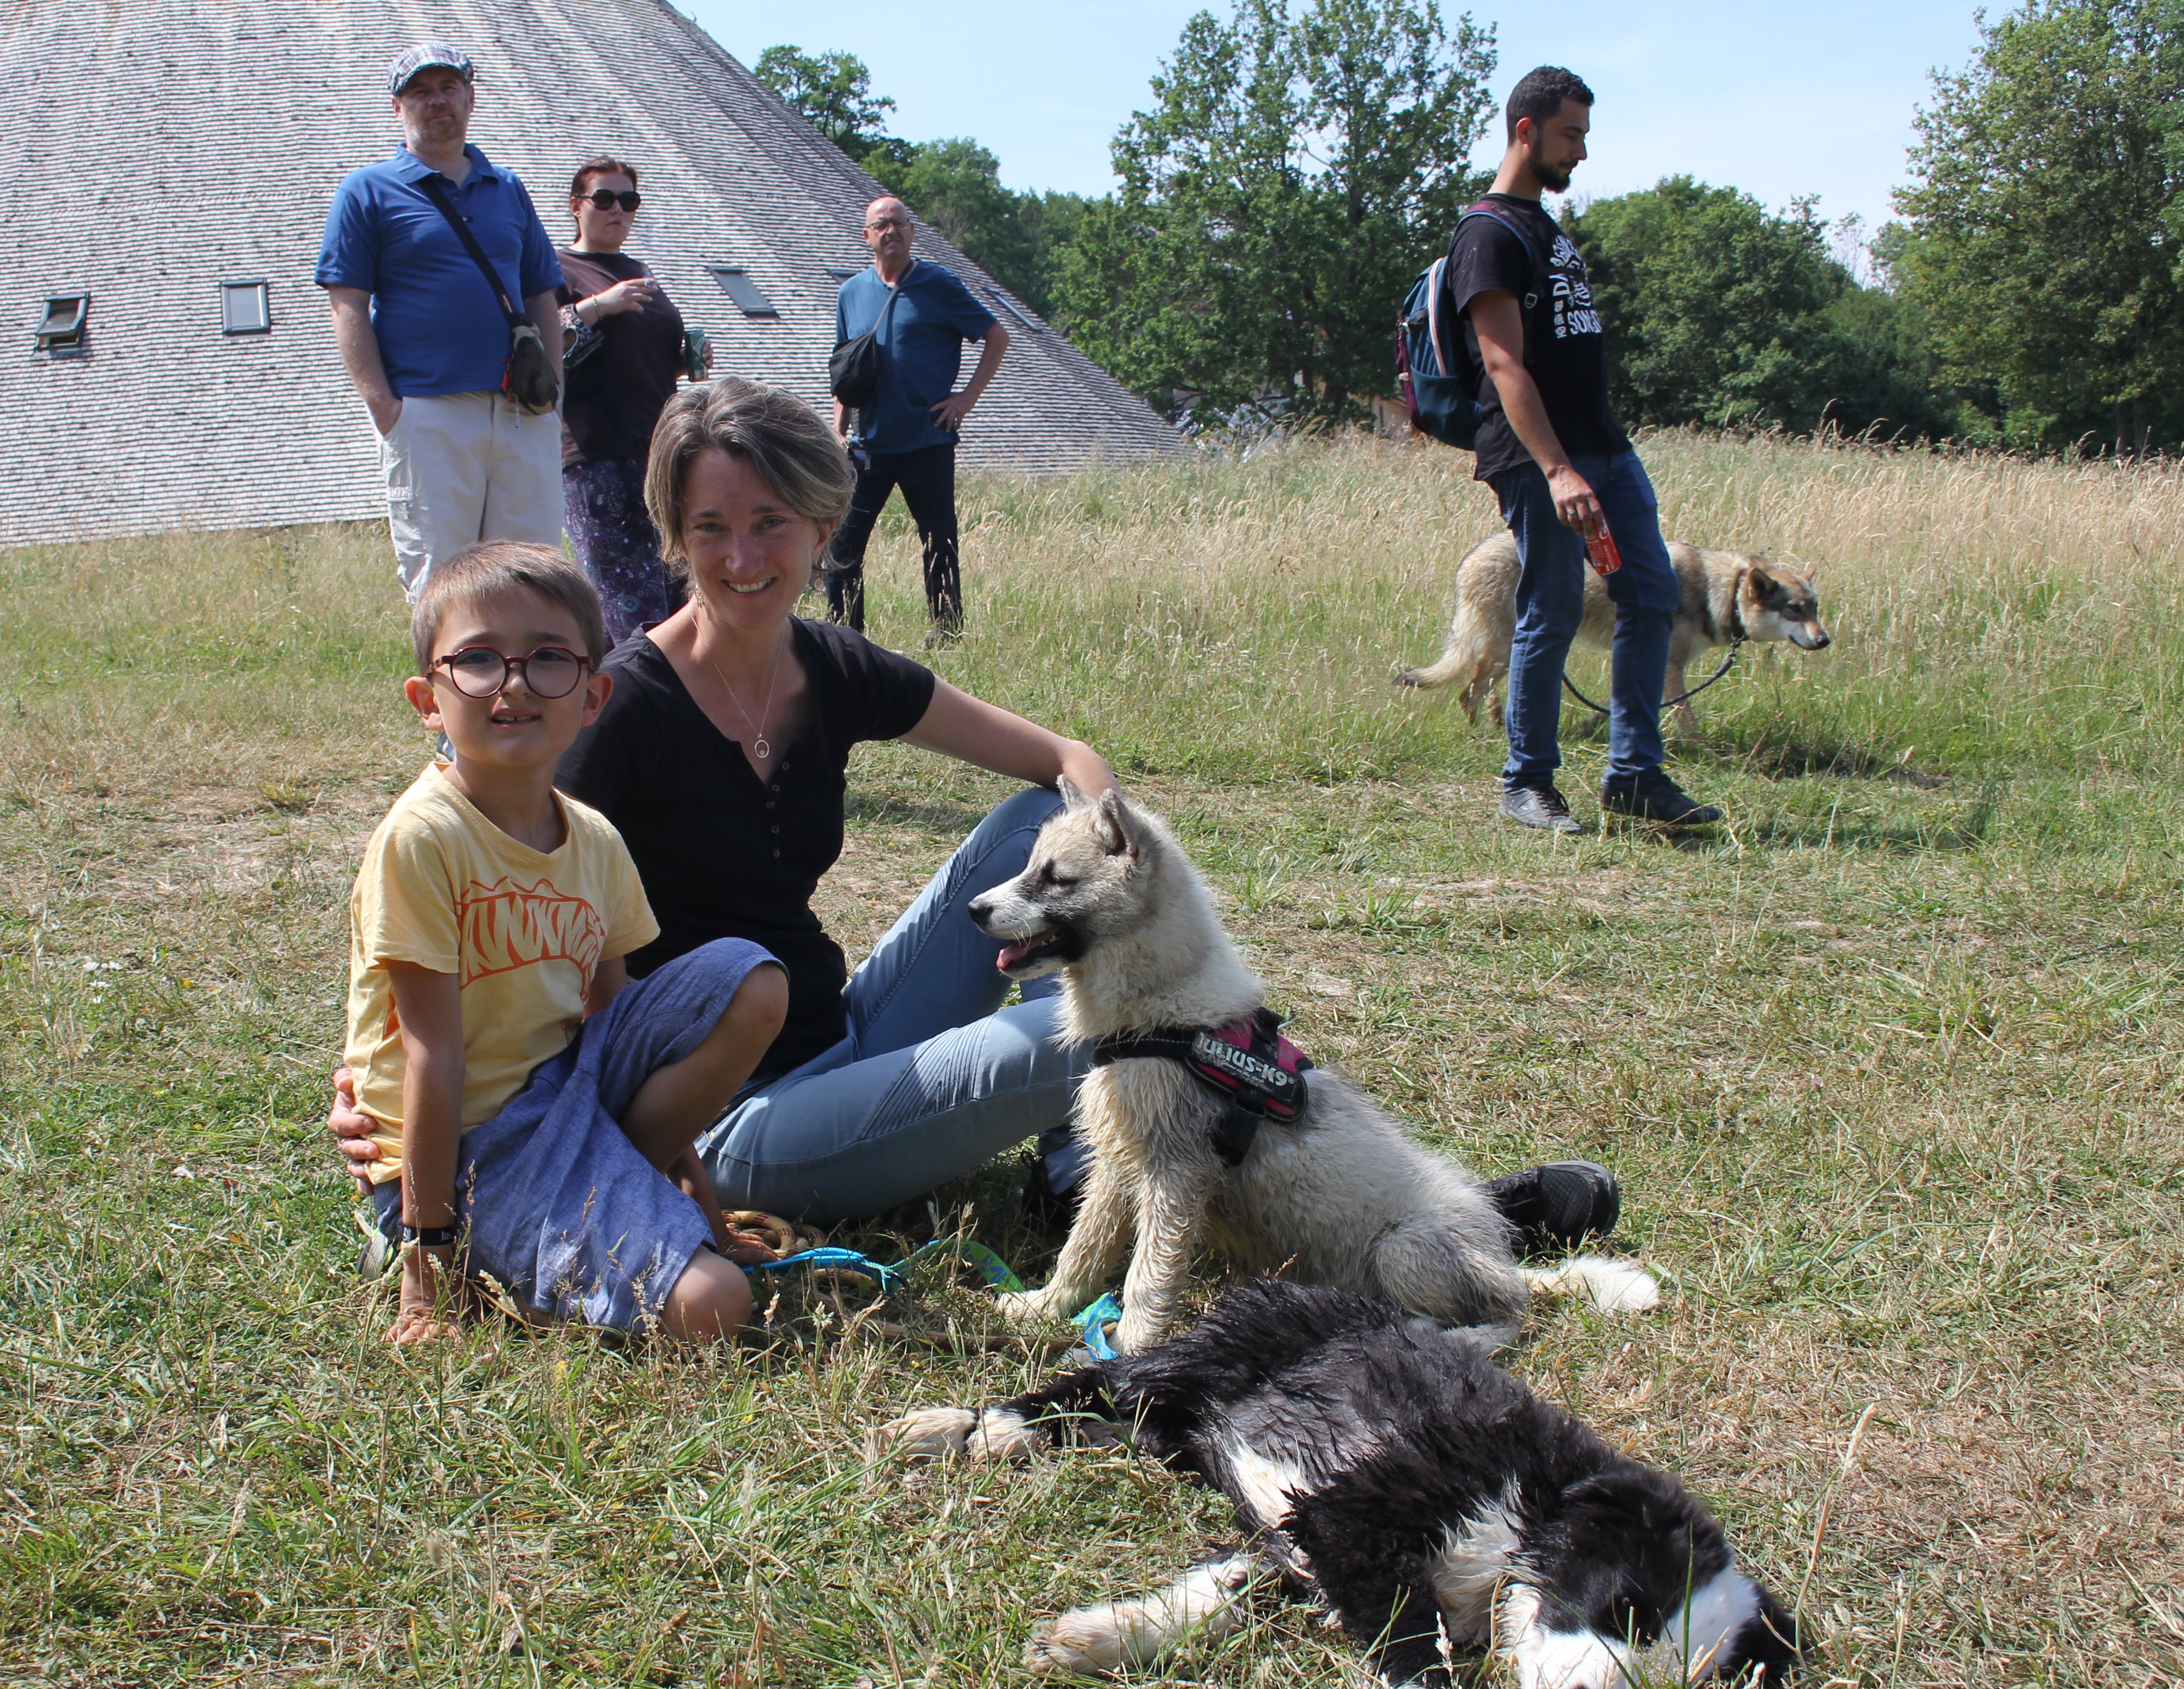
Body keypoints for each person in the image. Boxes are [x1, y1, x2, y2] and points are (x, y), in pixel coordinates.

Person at [331, 378, 1625, 1255]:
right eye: (710, 525)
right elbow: (499, 923)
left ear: (821, 521)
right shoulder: (621, 708)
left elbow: (1065, 762)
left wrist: (1113, 860)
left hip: (843, 1030)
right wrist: (388, 1105)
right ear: (670, 533)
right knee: (1091, 1041)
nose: (741, 556)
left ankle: (1214, 1170)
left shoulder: (829, 663)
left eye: (769, 522)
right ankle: (1427, 1218)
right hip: (728, 1122)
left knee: (1037, 828)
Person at [344, 539, 786, 1345]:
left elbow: (619, 1028)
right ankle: (456, 1247)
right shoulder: (424, 839)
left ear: (593, 694)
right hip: (475, 1148)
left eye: (549, 658)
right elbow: (431, 1058)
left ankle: (618, 1209)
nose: (513, 683)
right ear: (427, 698)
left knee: (751, 977)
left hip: (565, 1099)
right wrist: (426, 1267)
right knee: (714, 1306)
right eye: (476, 660)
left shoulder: (595, 841)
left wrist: (699, 1195)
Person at [1455, 65, 1722, 832]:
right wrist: (1558, 467)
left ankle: (1635, 775)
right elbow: (1504, 364)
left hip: (1606, 446)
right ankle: (1526, 783)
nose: (1581, 153)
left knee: (1650, 591)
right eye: (1571, 135)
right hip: (1544, 457)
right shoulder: (1488, 233)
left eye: (1585, 136)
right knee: (1553, 605)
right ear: (1527, 131)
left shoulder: (1546, 228)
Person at [316, 43, 569, 604]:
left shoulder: (508, 188)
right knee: (442, 583)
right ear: (397, 106)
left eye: (448, 88)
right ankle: (449, 692)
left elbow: (541, 293)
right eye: (421, 92)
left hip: (522, 411)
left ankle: (528, 689)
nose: (437, 102)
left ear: (469, 98)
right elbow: (348, 304)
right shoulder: (368, 191)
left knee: (533, 576)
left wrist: (555, 391)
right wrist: (386, 409)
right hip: (428, 411)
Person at [822, 196, 1007, 639]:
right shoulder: (851, 293)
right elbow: (845, 367)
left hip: (928, 440)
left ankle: (946, 631)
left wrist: (966, 400)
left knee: (938, 542)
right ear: (867, 236)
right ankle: (845, 638)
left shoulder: (938, 284)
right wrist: (837, 428)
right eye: (882, 225)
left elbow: (996, 336)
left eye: (900, 224)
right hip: (868, 444)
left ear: (912, 231)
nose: (892, 232)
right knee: (843, 544)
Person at [557, 155, 692, 643]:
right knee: (627, 601)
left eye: (629, 201)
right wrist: (597, 307)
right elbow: (540, 344)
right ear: (577, 205)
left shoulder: (639, 269)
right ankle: (634, 704)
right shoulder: (559, 268)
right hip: (598, 455)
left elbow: (635, 359)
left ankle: (684, 705)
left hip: (659, 450)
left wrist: (683, 361)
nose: (618, 210)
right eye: (605, 199)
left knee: (677, 588)